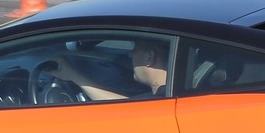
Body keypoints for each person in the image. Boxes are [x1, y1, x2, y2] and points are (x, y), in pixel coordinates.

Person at [40, 39, 169, 101]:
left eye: (135, 48)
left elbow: (123, 111)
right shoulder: (168, 94)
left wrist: (73, 75)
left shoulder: (162, 102)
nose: (130, 55)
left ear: (149, 57)